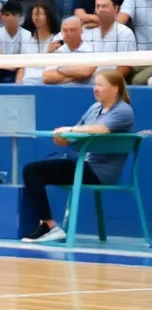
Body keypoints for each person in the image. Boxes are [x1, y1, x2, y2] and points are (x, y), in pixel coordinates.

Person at [21, 71, 136, 242]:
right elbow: (75, 135)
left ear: (115, 88)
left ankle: (49, 226)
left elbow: (101, 129)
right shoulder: (94, 108)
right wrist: (63, 139)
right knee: (34, 169)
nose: (95, 89)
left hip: (98, 173)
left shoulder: (124, 111)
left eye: (100, 85)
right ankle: (48, 224)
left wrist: (71, 130)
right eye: (94, 85)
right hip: (81, 164)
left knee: (33, 171)